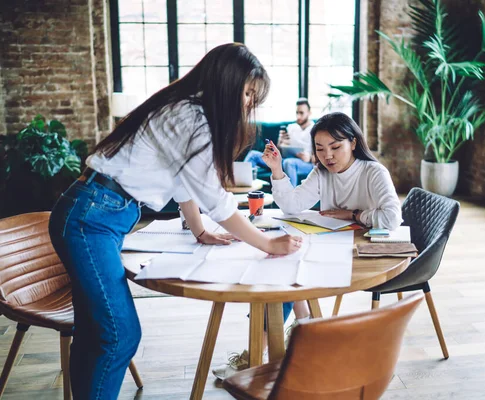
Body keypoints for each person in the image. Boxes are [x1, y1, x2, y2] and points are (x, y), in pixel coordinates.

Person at [48, 43, 302, 399]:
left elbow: (182, 179)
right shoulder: (190, 117)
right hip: (92, 218)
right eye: (246, 92)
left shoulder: (185, 110)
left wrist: (199, 230)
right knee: (120, 334)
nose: (248, 103)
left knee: (95, 333)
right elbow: (215, 198)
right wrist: (266, 242)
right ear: (225, 81)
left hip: (98, 211)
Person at [261, 112, 403, 331]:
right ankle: (301, 328)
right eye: (319, 149)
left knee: (284, 269)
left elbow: (392, 218)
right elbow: (291, 206)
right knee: (280, 265)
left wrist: (355, 215)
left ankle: (287, 336)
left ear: (353, 142)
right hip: (331, 248)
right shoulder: (322, 173)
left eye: (335, 147)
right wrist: (277, 169)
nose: (327, 156)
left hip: (361, 256)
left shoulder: (373, 172)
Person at [244, 98, 314, 186]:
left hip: (305, 164)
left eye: (301, 113)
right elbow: (280, 152)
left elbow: (320, 155)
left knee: (288, 163)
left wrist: (310, 158)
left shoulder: (315, 130)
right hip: (285, 160)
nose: (298, 116)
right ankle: (243, 187)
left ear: (309, 113)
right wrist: (280, 144)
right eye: (297, 113)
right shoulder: (291, 128)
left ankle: (290, 198)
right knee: (253, 155)